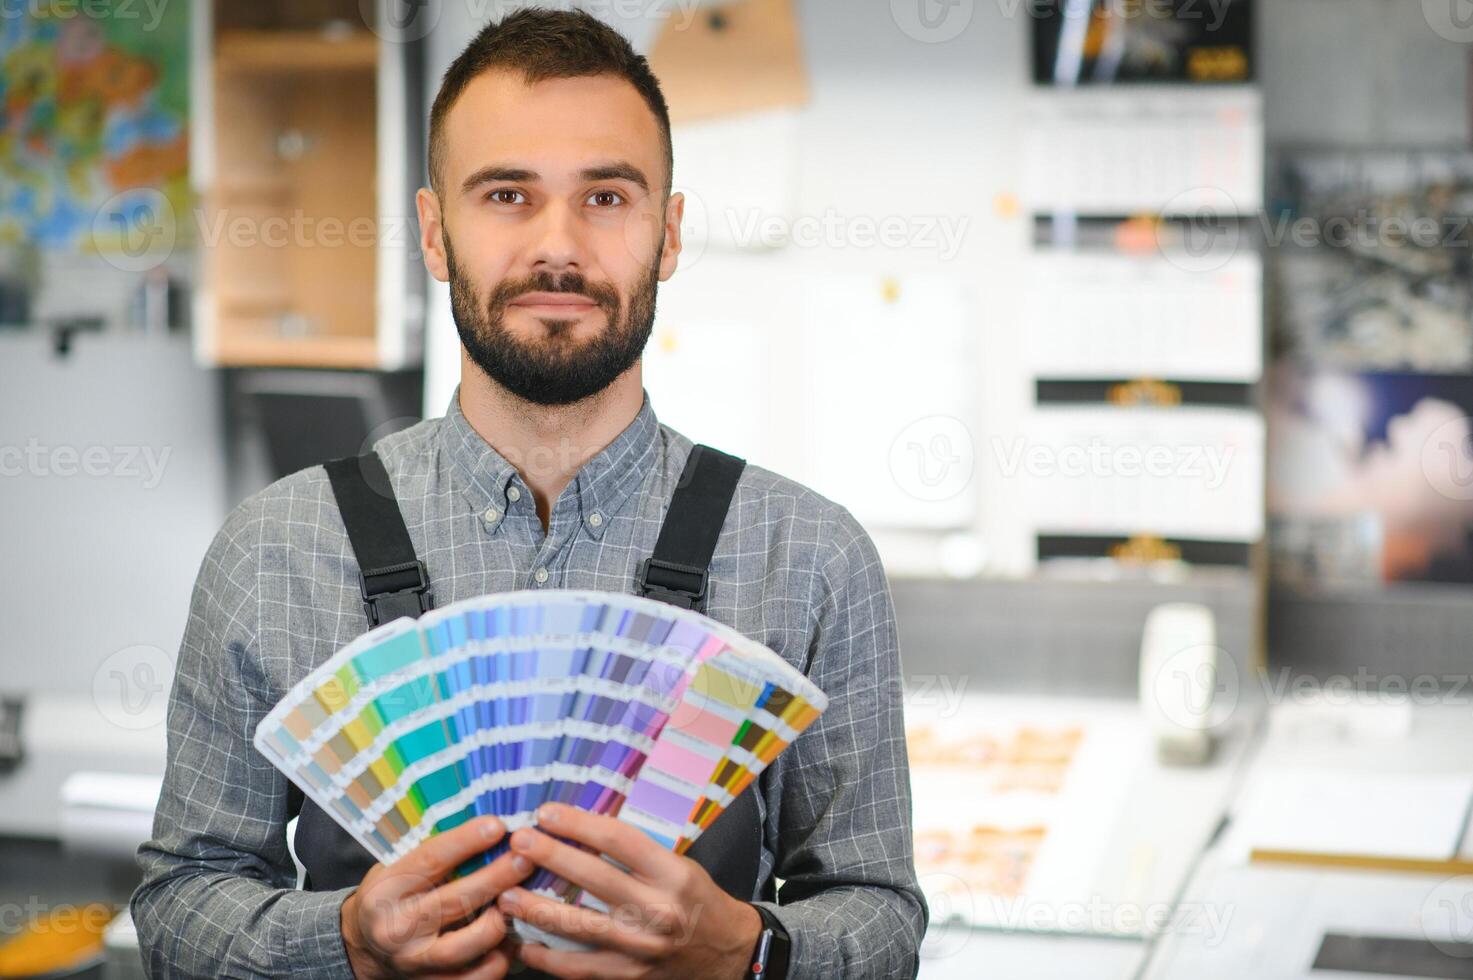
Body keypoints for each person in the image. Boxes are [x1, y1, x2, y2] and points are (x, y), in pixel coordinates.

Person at [132, 8, 926, 978]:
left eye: (607, 197)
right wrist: (343, 942)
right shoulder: (276, 548)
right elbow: (178, 905)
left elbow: (883, 914)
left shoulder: (812, 556)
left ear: (669, 233)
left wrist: (745, 950)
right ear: (434, 232)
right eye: (507, 194)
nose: (559, 246)